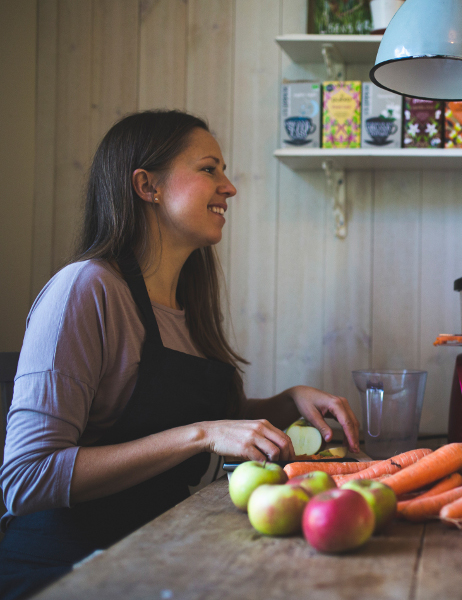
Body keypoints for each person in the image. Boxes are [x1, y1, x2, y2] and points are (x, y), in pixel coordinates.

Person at [0, 110, 360, 599]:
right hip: (62, 572)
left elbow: (206, 422)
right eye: (209, 169)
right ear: (147, 186)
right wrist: (201, 435)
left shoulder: (186, 302)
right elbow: (26, 479)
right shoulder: (85, 290)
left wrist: (286, 400)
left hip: (157, 554)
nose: (229, 187)